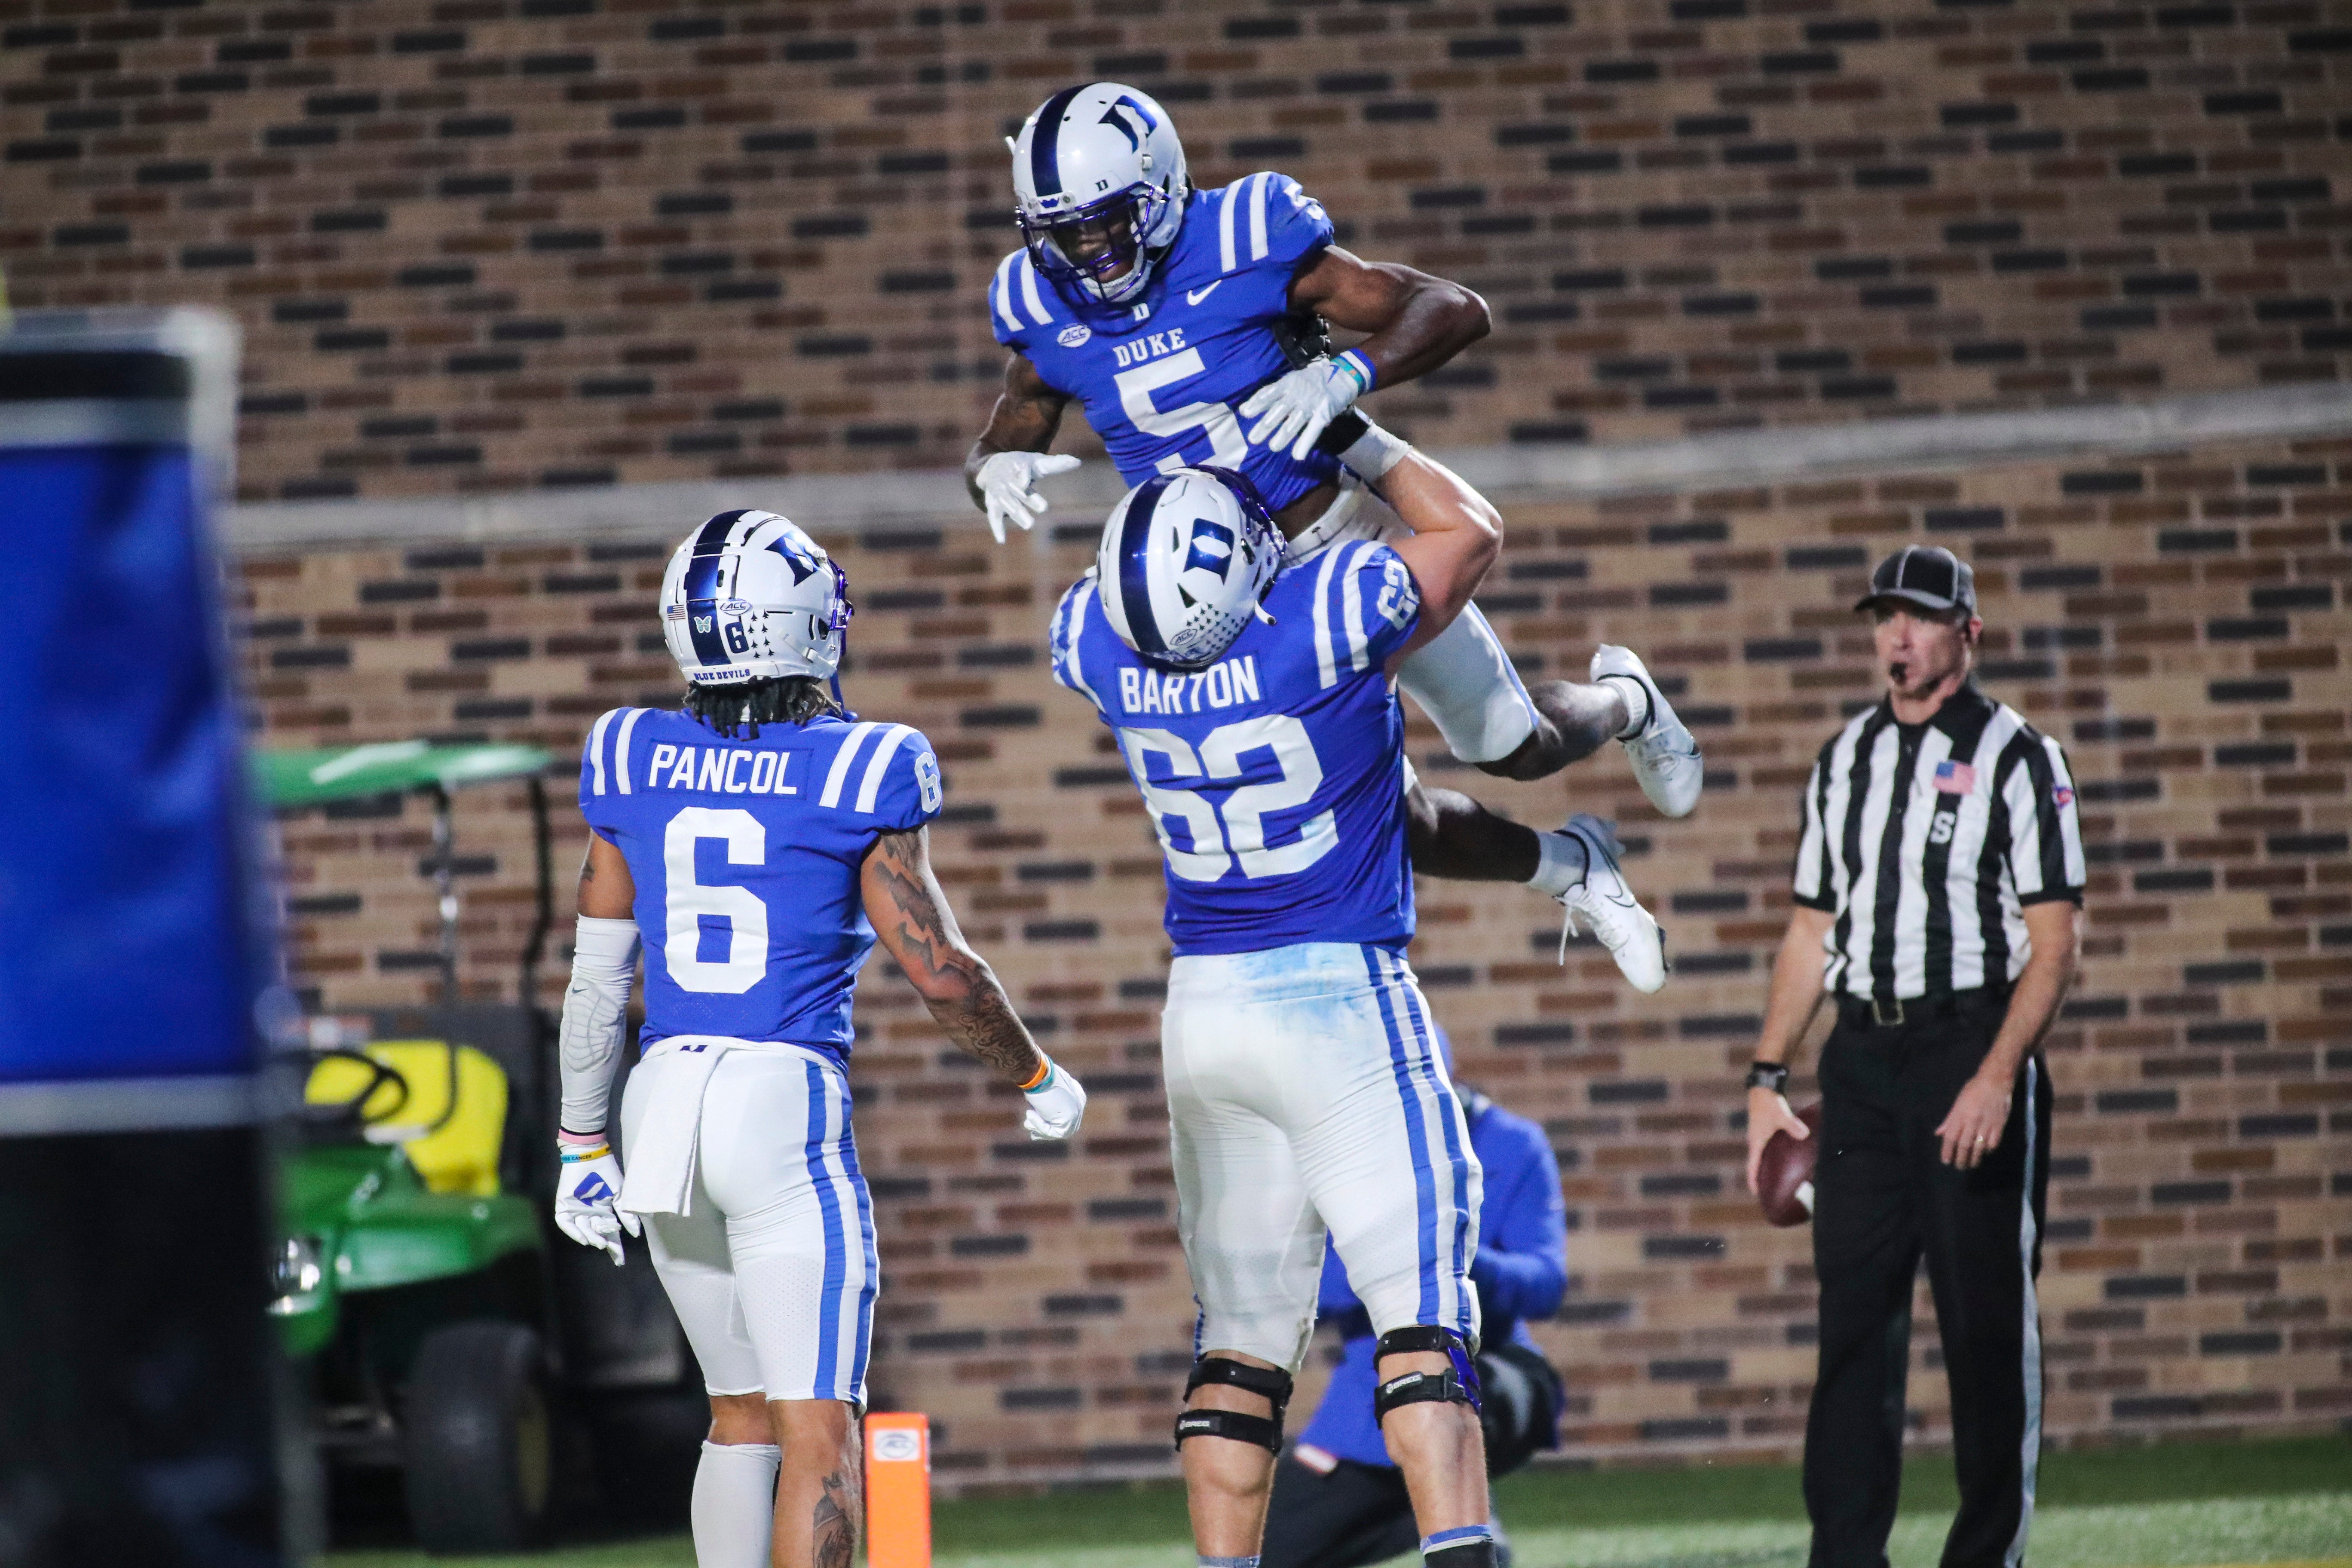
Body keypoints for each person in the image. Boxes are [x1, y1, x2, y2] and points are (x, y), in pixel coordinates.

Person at [1050, 428, 1667, 1568]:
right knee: (1426, 1329)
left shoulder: (1094, 641)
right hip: (1335, 994)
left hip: (1203, 1011)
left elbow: (1119, 592)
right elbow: (1468, 531)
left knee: (1236, 1345)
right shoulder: (1323, 616)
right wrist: (1355, 433)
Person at [546, 509, 1088, 1568]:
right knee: (819, 1432)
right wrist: (1033, 1069)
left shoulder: (629, 751)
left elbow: (597, 983)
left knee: (735, 1416)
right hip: (778, 1106)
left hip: (661, 1106)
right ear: (802, 627)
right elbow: (939, 971)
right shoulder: (864, 763)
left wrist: (578, 1148)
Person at [971, 81, 1703, 816]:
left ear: (1160, 188)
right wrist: (990, 468)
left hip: (1335, 544)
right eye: (1063, 233)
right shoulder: (1038, 309)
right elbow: (1001, 440)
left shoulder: (1243, 241)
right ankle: (1568, 871)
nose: (1087, 254)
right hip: (1212, 599)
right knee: (1325, 807)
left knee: (1515, 746)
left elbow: (1453, 308)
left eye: (1104, 223)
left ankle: (1626, 698)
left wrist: (1346, 373)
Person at [1742, 546, 2085, 1568]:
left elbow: (2055, 938)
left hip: (1965, 1050)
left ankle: (1987, 1555)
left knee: (1983, 1329)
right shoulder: (1841, 758)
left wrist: (1993, 1077)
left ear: (1965, 634)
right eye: (1884, 616)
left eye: (1920, 618)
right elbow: (1810, 930)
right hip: (1860, 1061)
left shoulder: (2019, 756)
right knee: (1852, 1330)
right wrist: (1766, 1079)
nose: (1896, 636)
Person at [1263, 1032, 1567, 1568]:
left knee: (1446, 1397)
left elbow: (1545, 1285)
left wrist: (1460, 1255)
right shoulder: (1341, 1159)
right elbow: (1308, 1289)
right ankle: (1447, 1518)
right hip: (1369, 1394)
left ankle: (1463, 1511)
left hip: (1495, 1368)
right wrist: (1392, 1250)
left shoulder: (1513, 1145)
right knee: (1268, 1550)